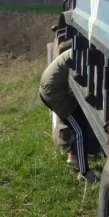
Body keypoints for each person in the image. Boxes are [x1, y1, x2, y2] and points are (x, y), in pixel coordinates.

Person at [39, 48, 93, 180]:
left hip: (53, 89)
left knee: (79, 122)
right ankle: (84, 173)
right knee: (79, 130)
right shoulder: (82, 57)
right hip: (55, 93)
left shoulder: (80, 51)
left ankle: (73, 156)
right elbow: (77, 87)